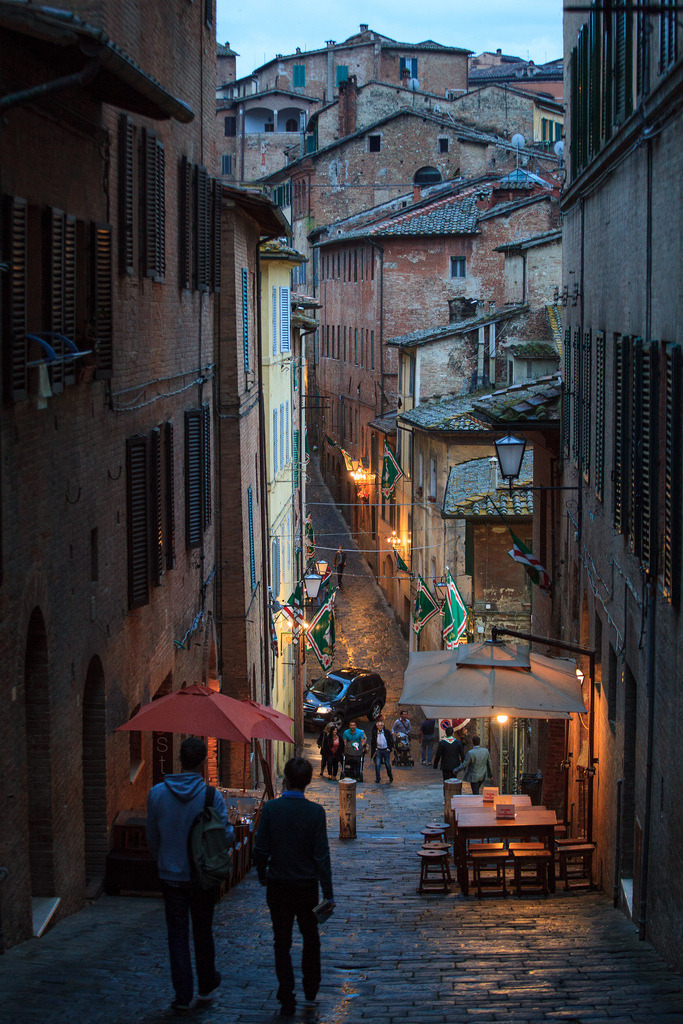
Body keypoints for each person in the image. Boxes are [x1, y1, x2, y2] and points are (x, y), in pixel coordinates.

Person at [146, 737, 231, 1011]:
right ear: (204, 761)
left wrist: (163, 859)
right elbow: (225, 836)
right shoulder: (211, 797)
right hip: (202, 877)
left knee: (177, 935)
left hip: (170, 876)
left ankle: (182, 995)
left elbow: (152, 837)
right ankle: (206, 984)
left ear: (179, 760)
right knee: (203, 931)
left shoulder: (157, 794)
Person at [253, 757, 334, 1020]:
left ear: (286, 779)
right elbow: (321, 856)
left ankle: (286, 996)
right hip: (307, 887)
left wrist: (262, 874)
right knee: (310, 938)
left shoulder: (271, 809)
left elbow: (260, 848)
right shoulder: (315, 813)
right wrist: (328, 893)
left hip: (278, 885)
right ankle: (311, 988)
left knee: (282, 941)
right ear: (308, 782)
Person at [370, 718, 394, 783]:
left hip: (386, 750)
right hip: (379, 750)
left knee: (387, 764)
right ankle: (378, 778)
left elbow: (391, 740)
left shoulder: (386, 732)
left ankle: (390, 776)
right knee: (377, 764)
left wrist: (389, 749)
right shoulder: (375, 733)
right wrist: (374, 751)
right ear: (377, 726)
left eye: (381, 725)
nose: (380, 727)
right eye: (379, 725)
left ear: (383, 726)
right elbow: (373, 742)